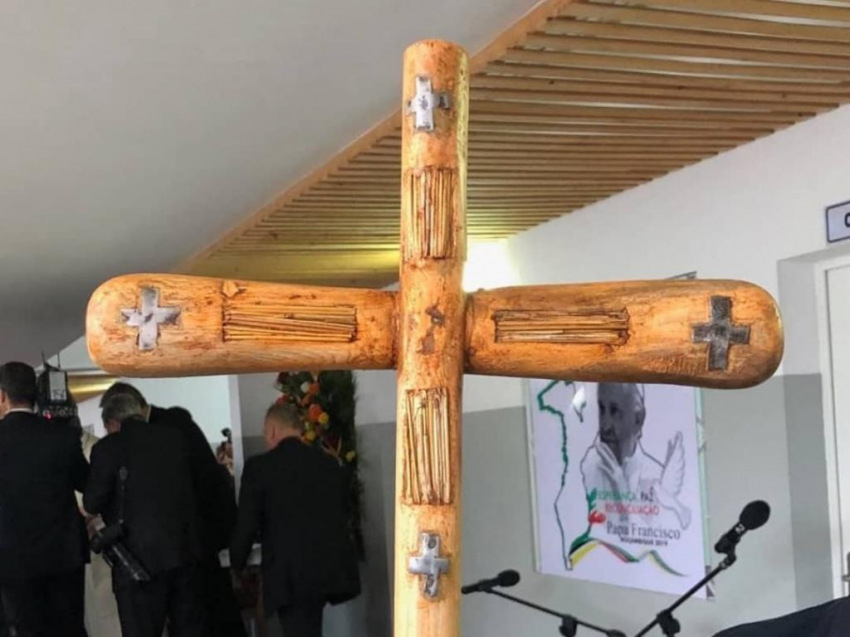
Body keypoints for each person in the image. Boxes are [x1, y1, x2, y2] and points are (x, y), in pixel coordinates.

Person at [99, 382, 244, 636]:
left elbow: (200, 484)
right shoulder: (170, 427)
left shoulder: (170, 426)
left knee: (211, 612)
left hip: (197, 535)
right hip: (185, 541)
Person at [231, 402, 360, 637]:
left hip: (288, 575)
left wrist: (236, 563)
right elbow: (342, 510)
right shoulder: (328, 463)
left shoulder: (259, 468)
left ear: (271, 430)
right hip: (327, 568)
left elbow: (246, 526)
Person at [84, 393, 208, 637]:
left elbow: (92, 502)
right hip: (185, 553)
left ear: (112, 423)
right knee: (189, 629)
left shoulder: (108, 448)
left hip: (136, 561)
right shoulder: (175, 439)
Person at [0, 362, 89, 637]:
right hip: (64, 554)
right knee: (70, 627)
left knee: (27, 629)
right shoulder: (63, 436)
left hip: (12, 557)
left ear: (2, 395)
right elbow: (87, 483)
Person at [580, 383, 691, 529]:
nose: (605, 426)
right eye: (601, 409)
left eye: (615, 411)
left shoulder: (655, 477)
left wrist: (622, 493)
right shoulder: (588, 467)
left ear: (638, 419)